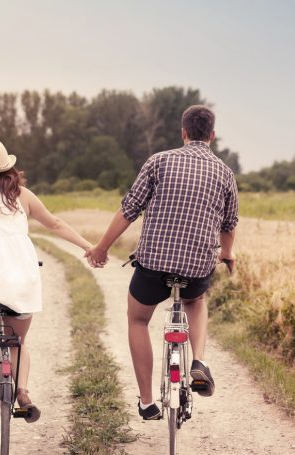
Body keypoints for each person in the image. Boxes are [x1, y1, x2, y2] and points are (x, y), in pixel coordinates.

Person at [86, 105, 238, 420]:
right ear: (211, 135)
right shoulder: (225, 172)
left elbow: (129, 209)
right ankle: (198, 361)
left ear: (183, 132)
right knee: (196, 300)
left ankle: (146, 402)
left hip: (153, 265)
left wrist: (102, 248)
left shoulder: (159, 162)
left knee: (138, 320)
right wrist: (227, 254)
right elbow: (229, 224)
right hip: (196, 267)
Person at [0, 139, 94, 422]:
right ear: (9, 170)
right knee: (17, 340)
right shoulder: (23, 196)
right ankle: (23, 392)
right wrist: (88, 246)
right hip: (19, 279)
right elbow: (55, 224)